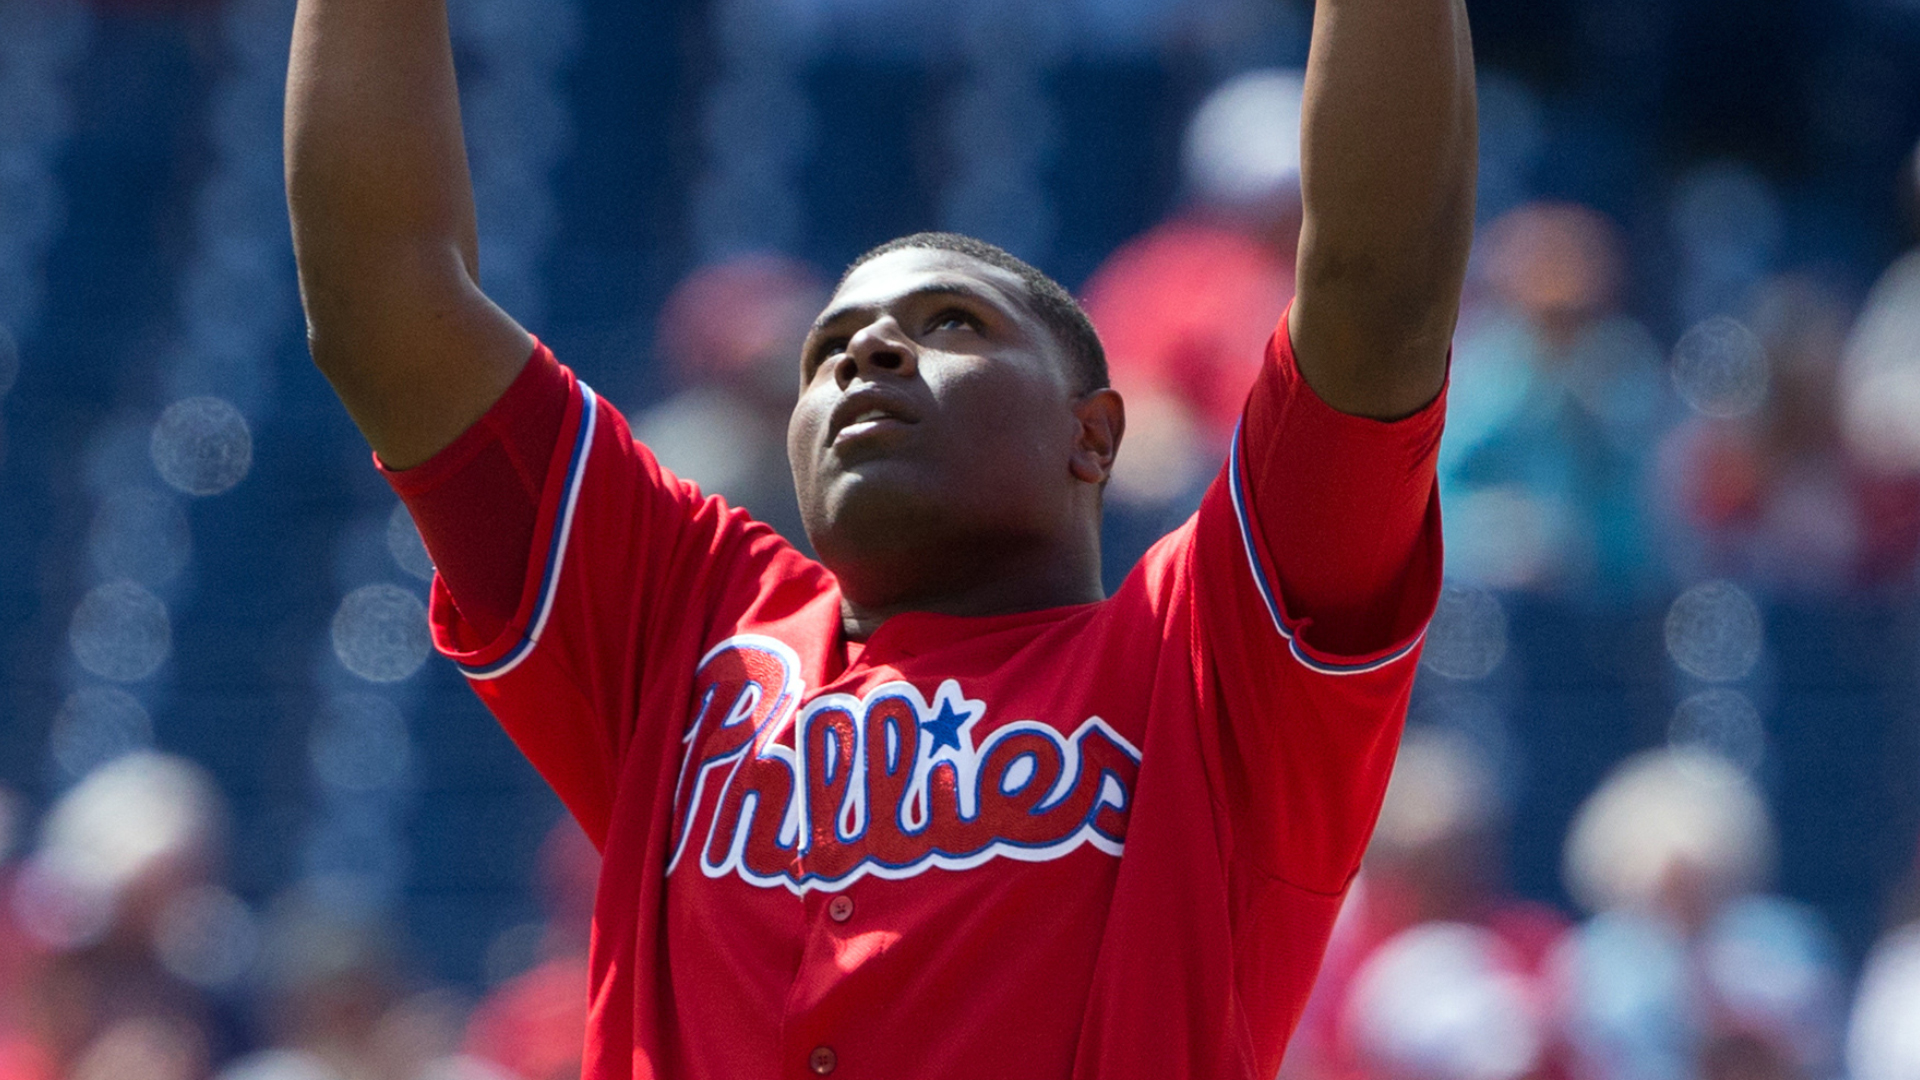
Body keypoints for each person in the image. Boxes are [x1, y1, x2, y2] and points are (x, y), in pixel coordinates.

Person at [283, 0, 1475, 1074]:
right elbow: (384, 297)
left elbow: (1378, 287)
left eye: (950, 322)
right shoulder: (684, 622)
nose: (868, 351)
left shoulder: (1210, 668)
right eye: (827, 350)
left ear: (1095, 436)